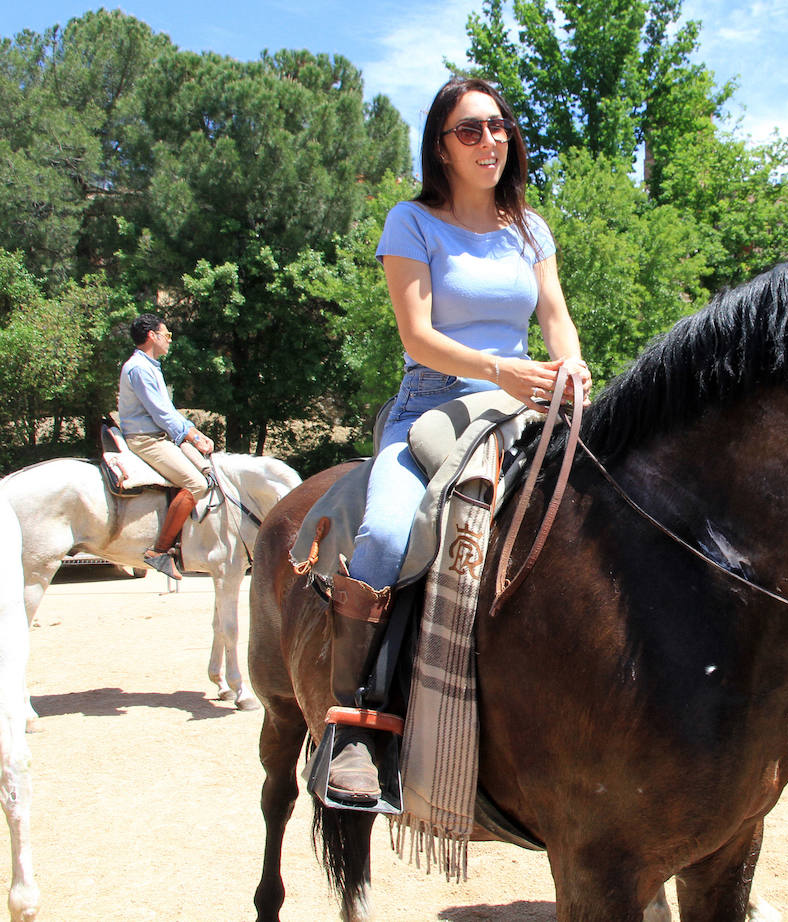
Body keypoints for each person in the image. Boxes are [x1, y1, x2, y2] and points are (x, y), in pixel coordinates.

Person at [318, 76, 590, 809]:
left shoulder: (530, 230)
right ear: (441, 146)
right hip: (435, 403)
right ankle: (354, 726)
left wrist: (571, 363)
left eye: (498, 127)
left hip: (529, 402)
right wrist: (500, 366)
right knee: (382, 531)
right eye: (470, 130)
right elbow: (418, 336)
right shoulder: (412, 222)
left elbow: (556, 317)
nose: (489, 141)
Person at [117, 313, 216, 580]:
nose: (170, 341)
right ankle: (159, 551)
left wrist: (191, 433)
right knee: (197, 484)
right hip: (147, 439)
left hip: (160, 436)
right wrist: (193, 437)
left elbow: (168, 412)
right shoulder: (138, 368)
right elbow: (161, 413)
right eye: (167, 335)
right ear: (152, 336)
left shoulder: (150, 366)